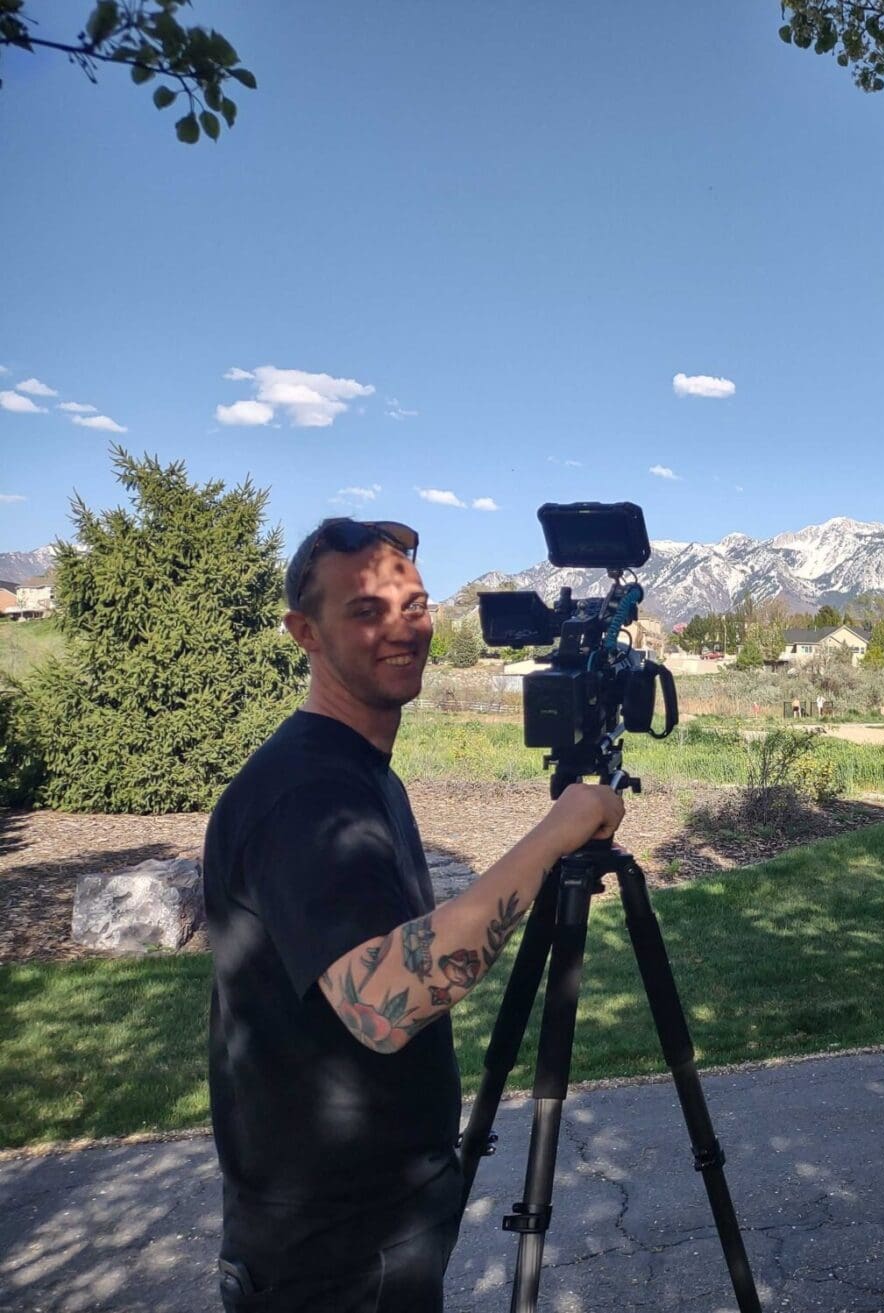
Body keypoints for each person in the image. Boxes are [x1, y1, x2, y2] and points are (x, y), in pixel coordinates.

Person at [204, 518, 626, 1312]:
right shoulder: (306, 795)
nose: (403, 626)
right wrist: (559, 832)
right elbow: (385, 997)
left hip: (376, 1222)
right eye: (366, 610)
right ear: (305, 632)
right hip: (327, 1254)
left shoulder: (362, 773)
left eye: (416, 603)